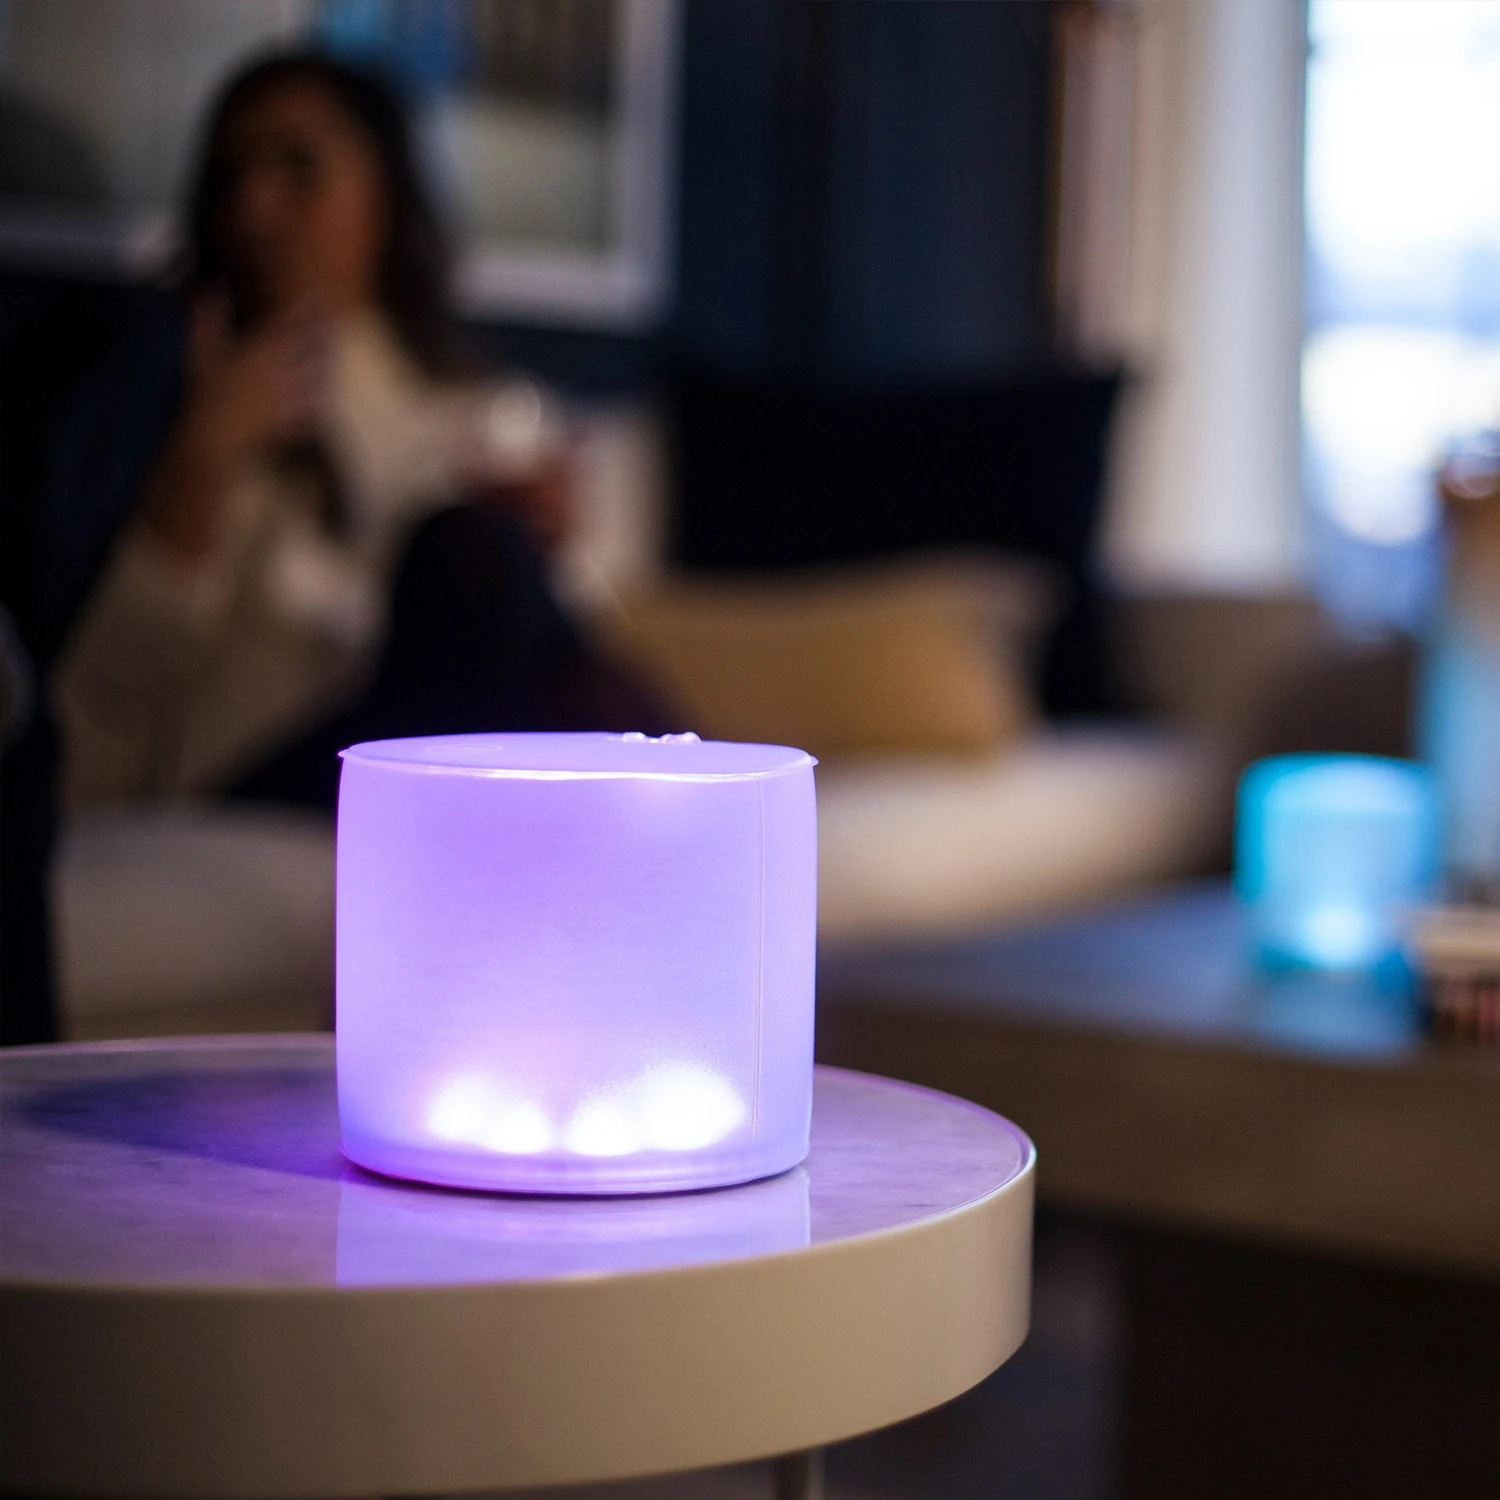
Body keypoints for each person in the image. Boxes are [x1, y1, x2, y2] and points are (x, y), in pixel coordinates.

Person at [1, 52, 670, 1042]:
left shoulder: (474, 413)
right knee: (467, 549)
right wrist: (204, 457)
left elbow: (550, 655)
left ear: (386, 195)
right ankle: (705, 845)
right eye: (231, 175)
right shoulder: (169, 382)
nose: (254, 207)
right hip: (261, 767)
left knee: (476, 551)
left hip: (437, 743)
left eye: (297, 168)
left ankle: (667, 877)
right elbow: (99, 731)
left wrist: (560, 556)